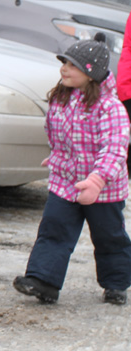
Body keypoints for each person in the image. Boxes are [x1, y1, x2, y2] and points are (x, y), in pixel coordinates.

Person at [14, 33, 131, 305]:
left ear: (92, 74)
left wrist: (97, 181)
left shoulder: (110, 107)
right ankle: (43, 280)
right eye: (64, 63)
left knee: (109, 237)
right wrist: (56, 156)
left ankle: (116, 283)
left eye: (72, 65)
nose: (64, 69)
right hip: (65, 183)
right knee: (54, 229)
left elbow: (115, 148)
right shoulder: (61, 99)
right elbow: (55, 132)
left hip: (103, 188)